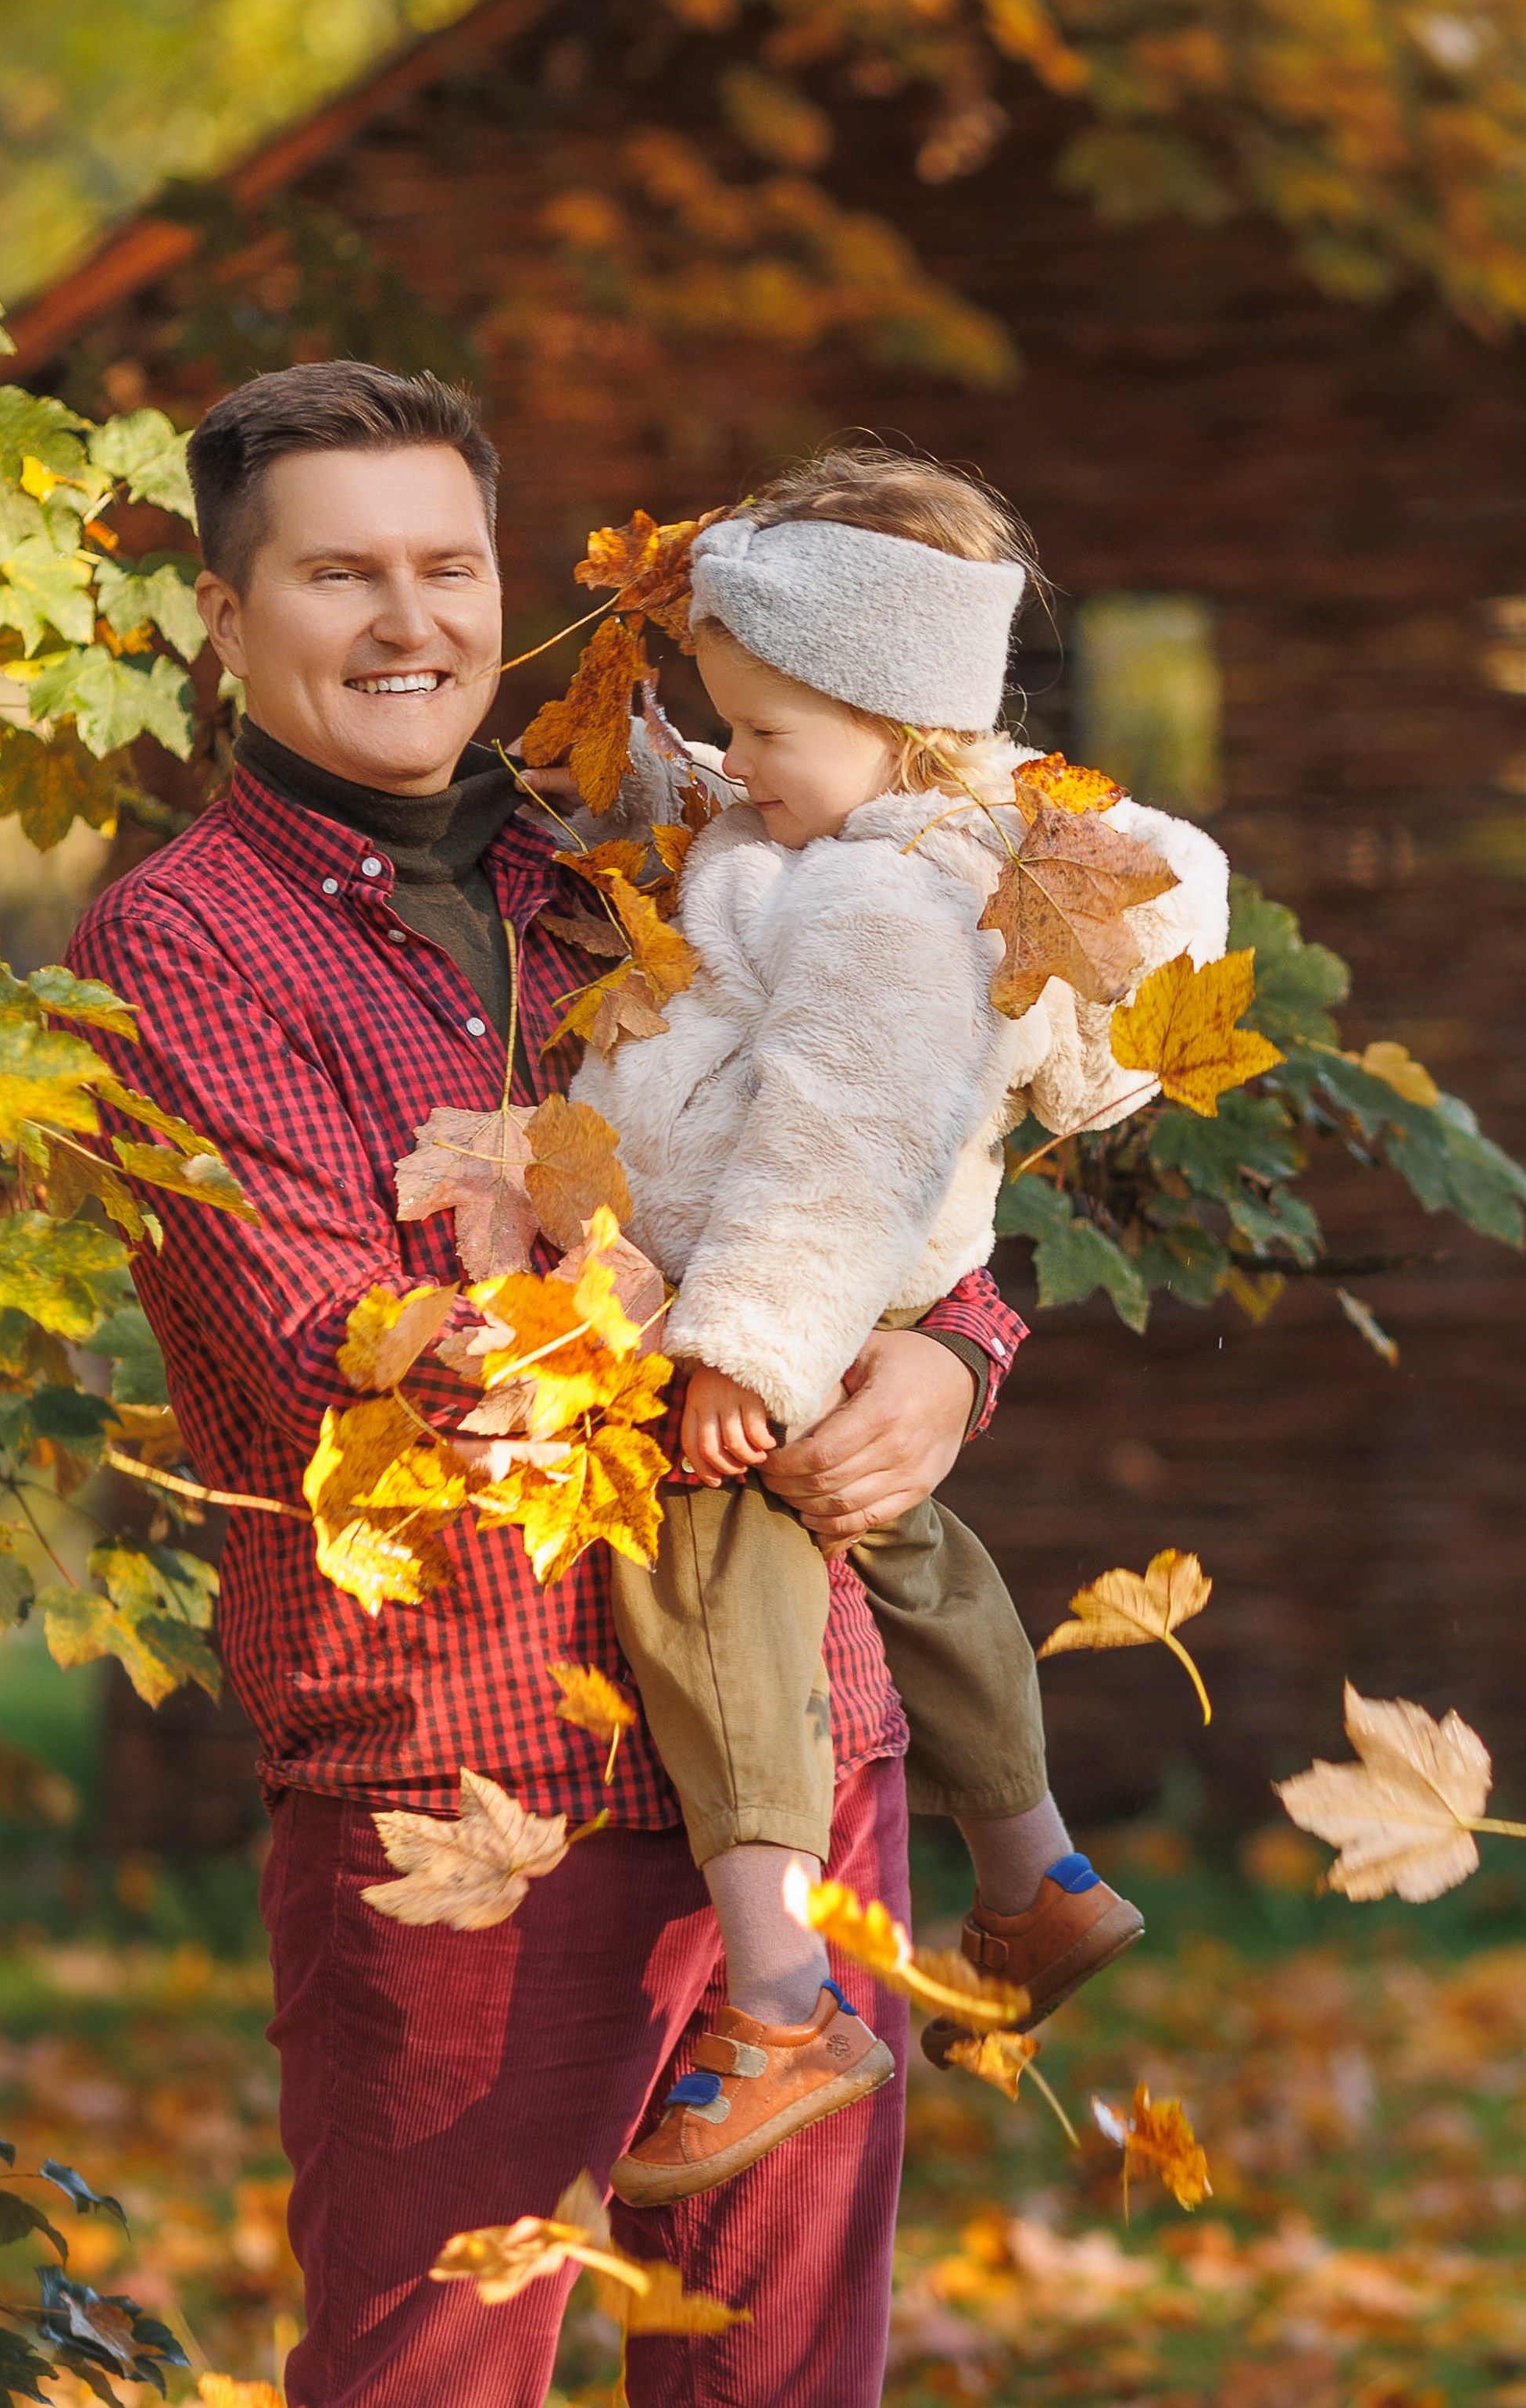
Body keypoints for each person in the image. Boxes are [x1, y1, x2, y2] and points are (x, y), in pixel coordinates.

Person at [65, 363, 1031, 2408]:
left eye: (448, 564)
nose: (410, 620)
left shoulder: (664, 846)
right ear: (225, 618)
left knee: (781, 2377)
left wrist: (948, 1356)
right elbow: (337, 1327)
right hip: (465, 1783)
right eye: (339, 573)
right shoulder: (182, 946)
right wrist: (662, 1332)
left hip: (794, 1745)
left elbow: (900, 1131)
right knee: (433, 2368)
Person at [571, 450, 1230, 2206]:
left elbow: (837, 1144)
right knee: (903, 1540)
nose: (732, 768)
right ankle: (1034, 1875)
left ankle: (781, 2003)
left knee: (708, 1581)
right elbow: (728, 831)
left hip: (773, 1288)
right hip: (816, 1298)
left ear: (886, 705)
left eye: (763, 730)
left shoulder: (880, 896)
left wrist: (745, 1350)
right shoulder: (893, 827)